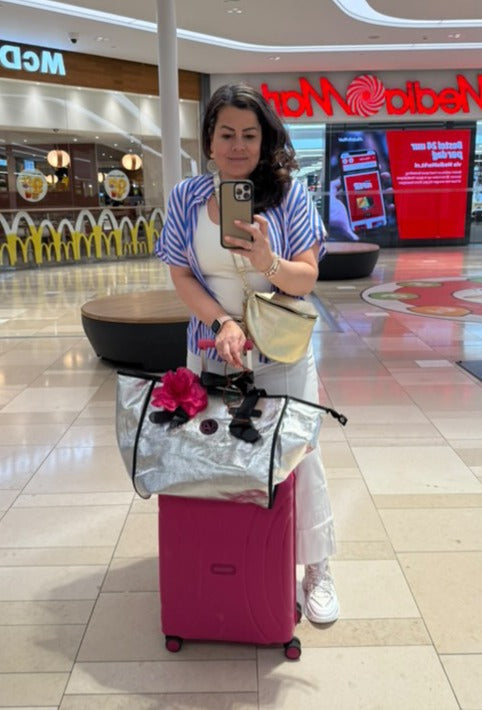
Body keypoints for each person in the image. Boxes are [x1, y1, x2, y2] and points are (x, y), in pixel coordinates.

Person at [156, 83, 338, 624]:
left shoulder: (289, 195)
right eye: (227, 134)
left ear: (265, 140)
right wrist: (224, 322)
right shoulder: (187, 198)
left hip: (280, 351)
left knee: (299, 455)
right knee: (220, 456)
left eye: (250, 135)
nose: (238, 146)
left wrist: (267, 259)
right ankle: (237, 559)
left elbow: (305, 278)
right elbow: (181, 274)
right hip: (213, 351)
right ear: (209, 141)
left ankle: (317, 569)